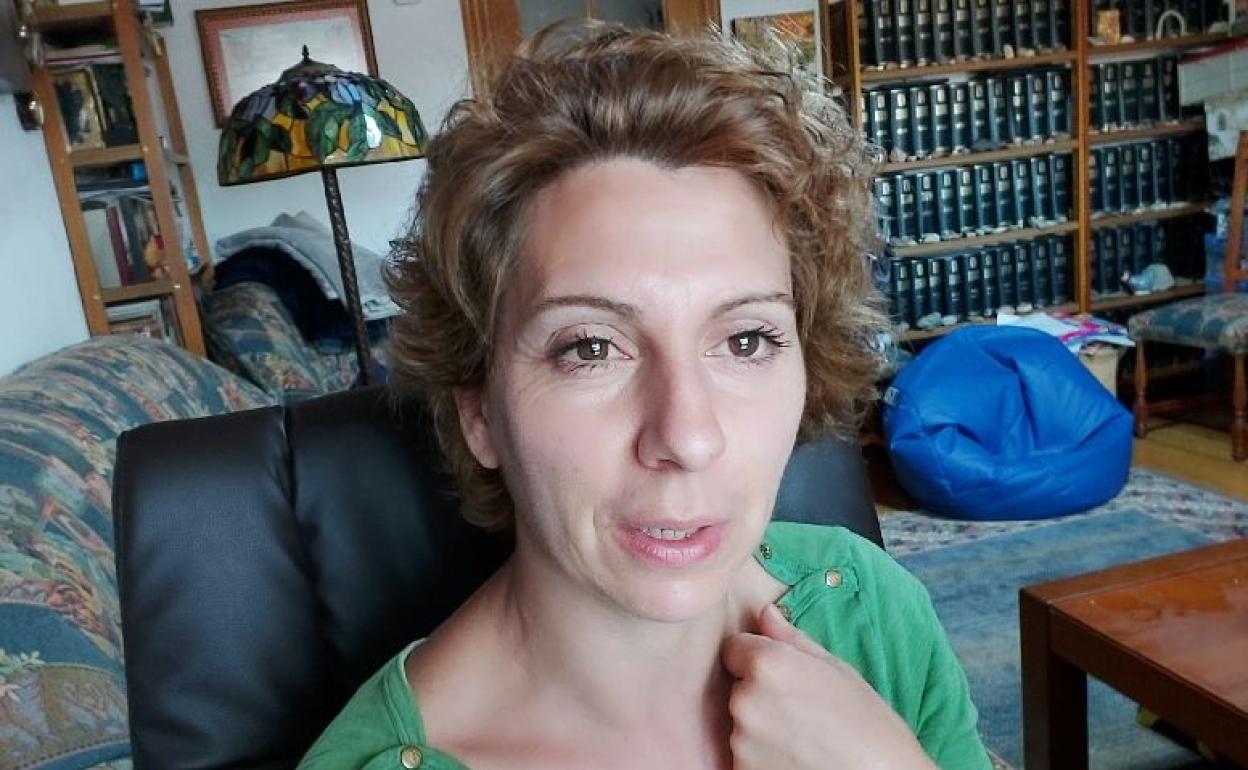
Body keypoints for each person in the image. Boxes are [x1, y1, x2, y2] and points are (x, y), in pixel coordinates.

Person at [299, 23, 991, 770]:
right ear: (479, 412)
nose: (687, 436)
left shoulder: (870, 612)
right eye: (590, 348)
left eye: (746, 340)